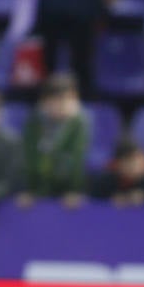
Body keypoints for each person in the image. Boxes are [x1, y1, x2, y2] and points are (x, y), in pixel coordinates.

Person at [18, 72, 90, 208]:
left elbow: (76, 161)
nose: (63, 105)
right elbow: (29, 157)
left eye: (69, 99)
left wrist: (74, 191)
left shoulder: (79, 123)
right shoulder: (34, 122)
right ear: (45, 101)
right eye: (58, 99)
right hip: (37, 191)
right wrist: (29, 190)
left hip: (67, 192)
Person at [90, 138, 144, 207]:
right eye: (130, 162)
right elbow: (92, 199)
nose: (137, 165)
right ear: (117, 164)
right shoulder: (106, 180)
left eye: (141, 160)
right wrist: (113, 199)